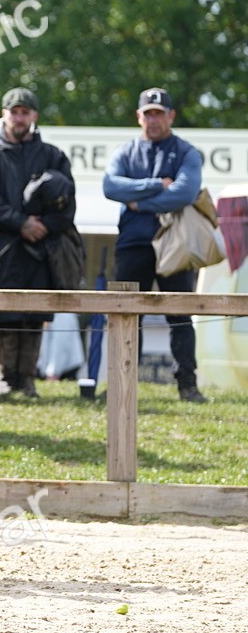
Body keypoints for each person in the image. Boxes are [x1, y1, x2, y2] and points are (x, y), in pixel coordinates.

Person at [102, 87, 206, 403]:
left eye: (159, 114)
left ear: (171, 116)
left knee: (180, 314)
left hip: (176, 244)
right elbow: (110, 186)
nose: (154, 120)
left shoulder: (187, 152)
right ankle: (121, 384)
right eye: (148, 114)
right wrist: (156, 185)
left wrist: (139, 203)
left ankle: (187, 385)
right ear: (139, 117)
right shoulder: (125, 152)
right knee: (127, 315)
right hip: (133, 243)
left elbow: (185, 192)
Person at [0, 87, 75, 398]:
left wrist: (43, 226)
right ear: (4, 114)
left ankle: (28, 379)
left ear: (34, 116)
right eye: (14, 112)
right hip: (3, 247)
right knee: (3, 315)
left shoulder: (53, 155)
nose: (19, 118)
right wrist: (21, 223)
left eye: (25, 112)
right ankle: (7, 379)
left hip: (42, 249)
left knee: (35, 314)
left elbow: (68, 202)